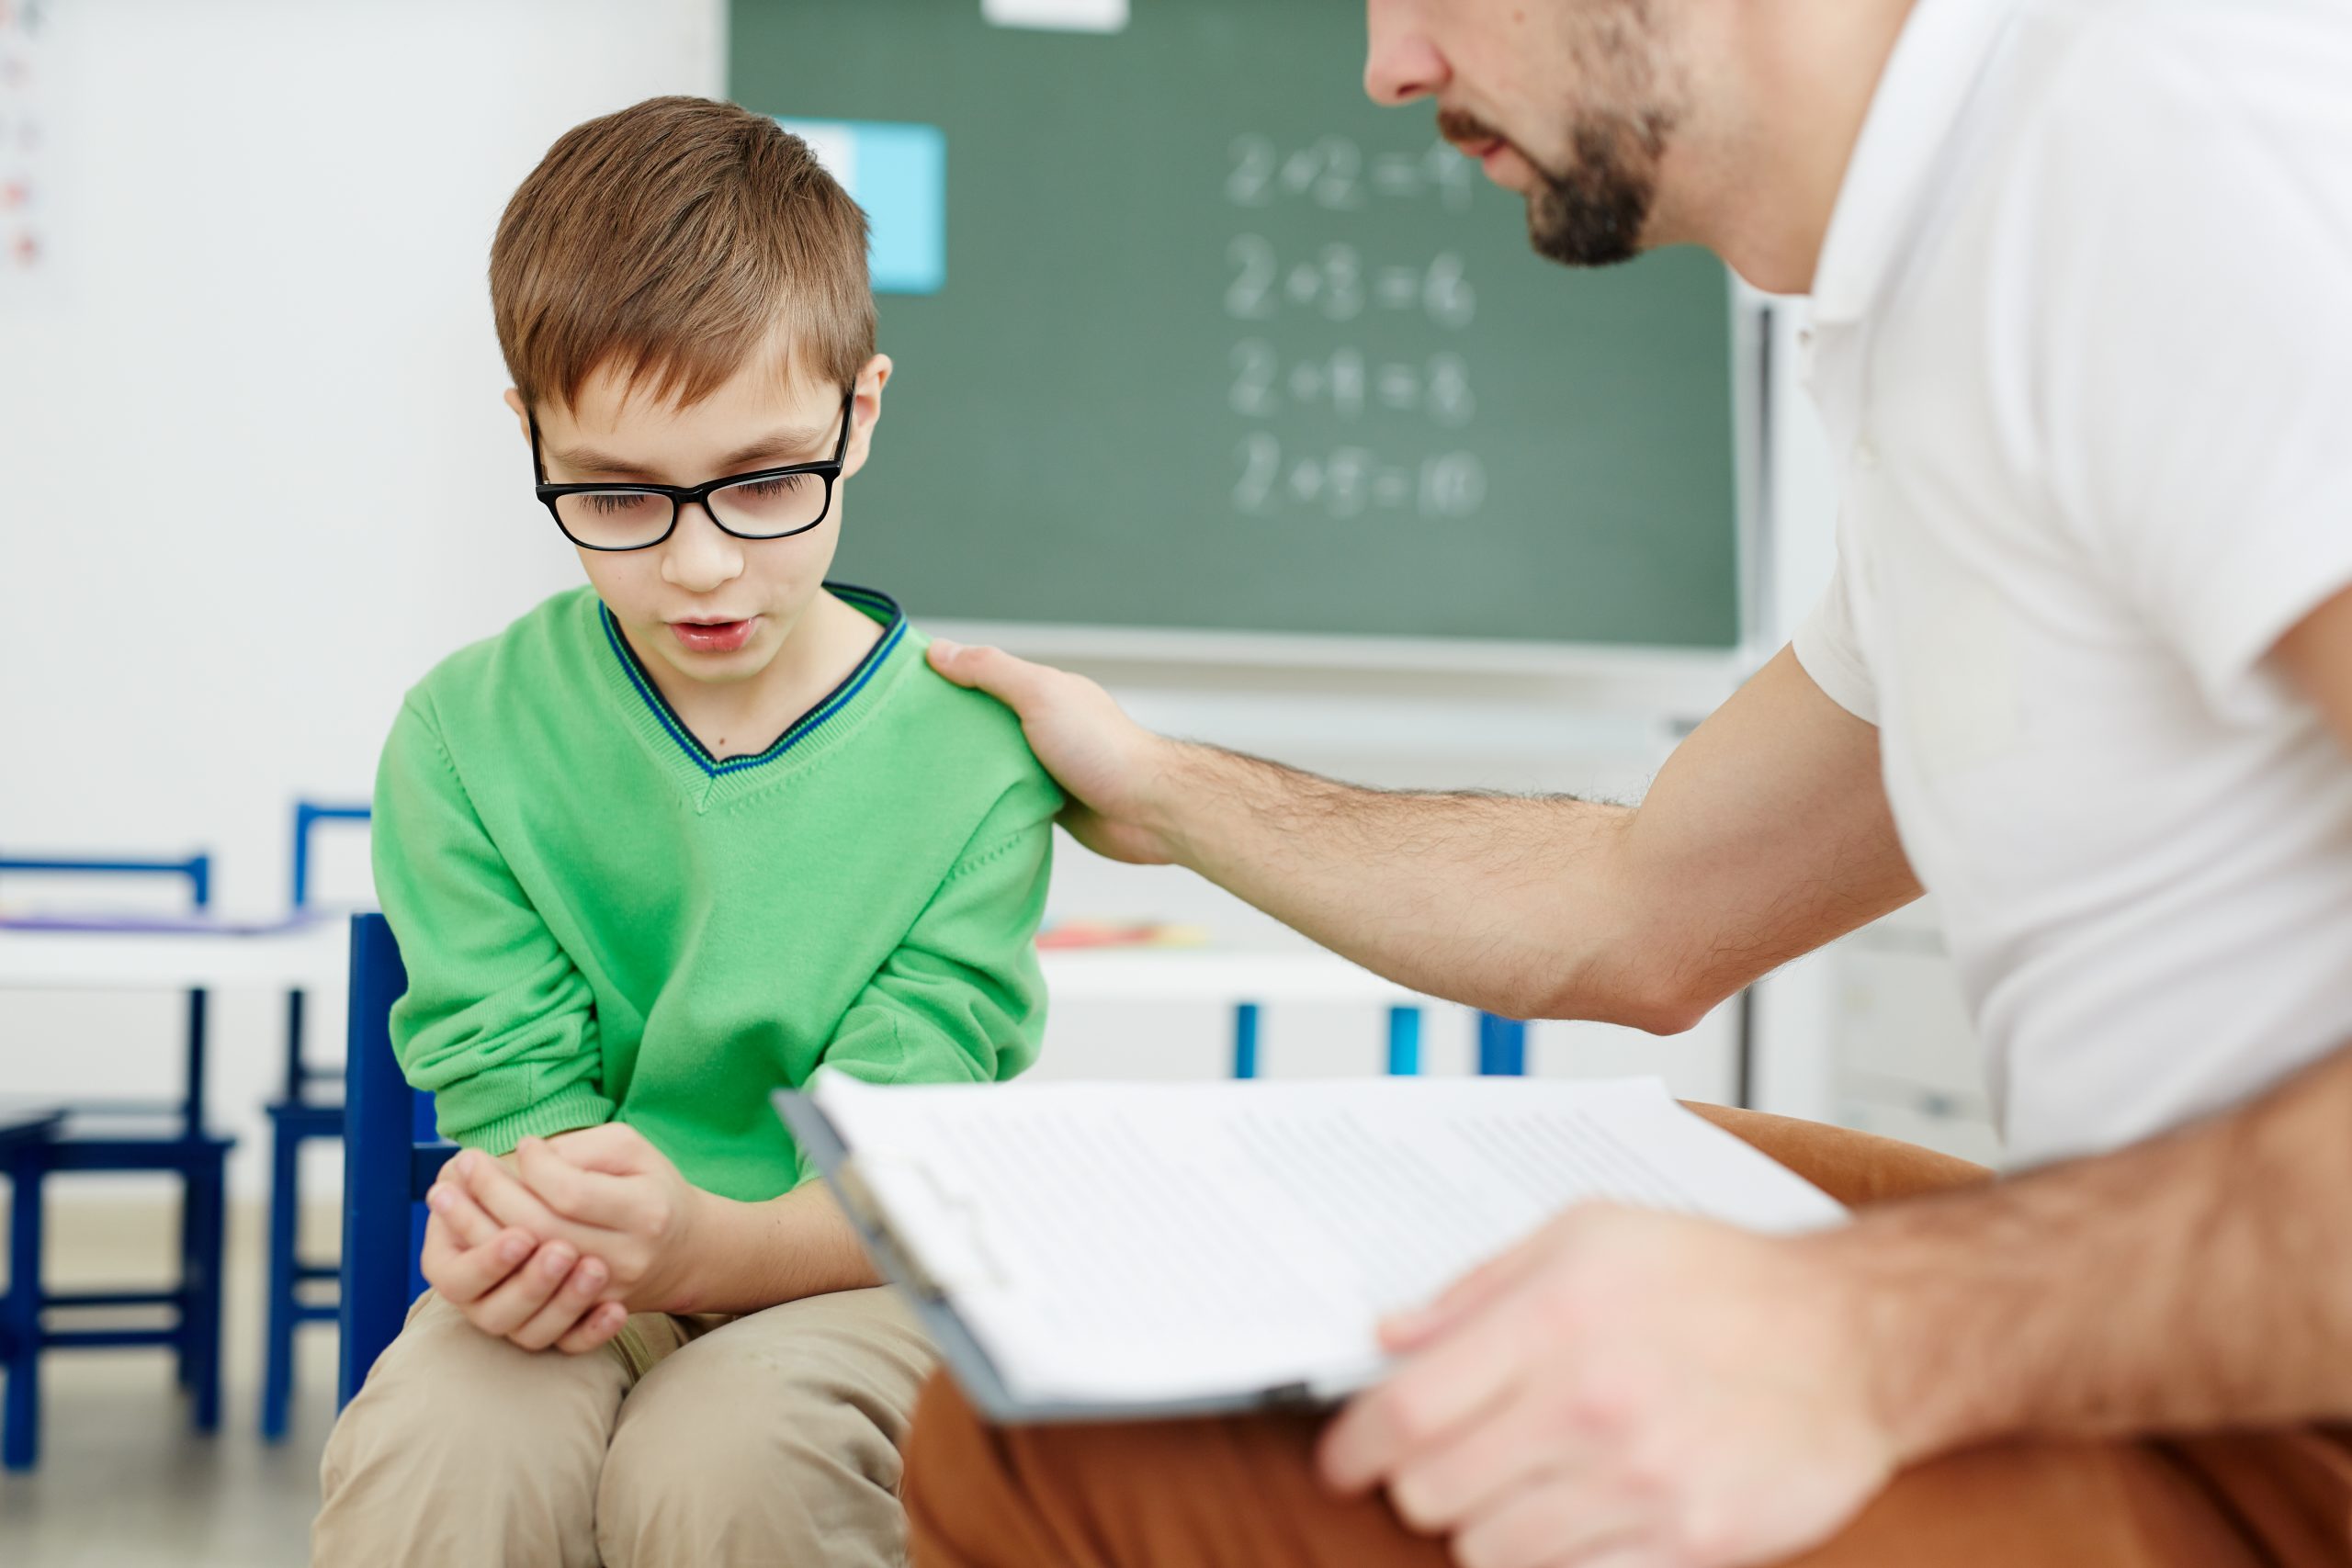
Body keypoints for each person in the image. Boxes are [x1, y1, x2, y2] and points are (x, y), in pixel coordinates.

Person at [899, 0, 2352, 1563]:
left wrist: (1869, 1340)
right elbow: (1645, 909)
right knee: (1215, 1263)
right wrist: (1172, 793)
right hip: (2174, 1309)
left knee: (1058, 1453)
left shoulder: (2179, 137)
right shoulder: (1936, 284)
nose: (1386, 66)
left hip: (2286, 1433)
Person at [311, 96, 1060, 1568]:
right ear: (529, 434)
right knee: (443, 1443)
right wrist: (515, 1223)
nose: (704, 565)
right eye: (615, 495)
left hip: (852, 1275)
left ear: (862, 412)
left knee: (735, 1452)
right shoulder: (467, 737)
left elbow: (903, 1177)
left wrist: (707, 1250)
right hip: (584, 1274)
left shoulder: (976, 763)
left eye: (767, 482)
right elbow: (516, 1100)